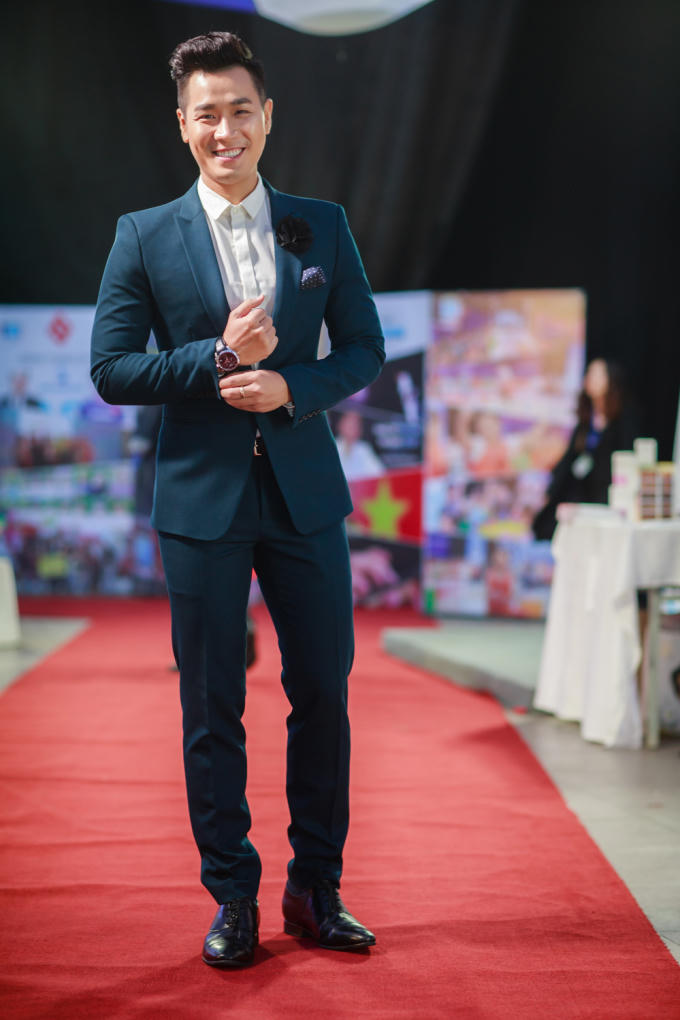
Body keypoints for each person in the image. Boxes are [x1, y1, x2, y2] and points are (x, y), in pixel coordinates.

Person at [91, 31, 385, 968]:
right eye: (207, 114)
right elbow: (112, 369)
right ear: (183, 126)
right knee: (212, 704)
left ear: (268, 117)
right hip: (201, 500)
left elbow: (364, 349)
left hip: (306, 498)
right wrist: (217, 358)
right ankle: (233, 897)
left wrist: (292, 386)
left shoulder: (321, 224)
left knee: (323, 694)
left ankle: (316, 888)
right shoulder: (143, 233)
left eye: (241, 111)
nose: (227, 130)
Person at [532, 358, 637, 540]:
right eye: (589, 374)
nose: (590, 379)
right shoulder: (586, 421)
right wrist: (551, 490)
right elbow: (569, 459)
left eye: (597, 374)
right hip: (579, 494)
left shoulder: (623, 419)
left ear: (610, 380)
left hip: (607, 497)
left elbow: (626, 460)